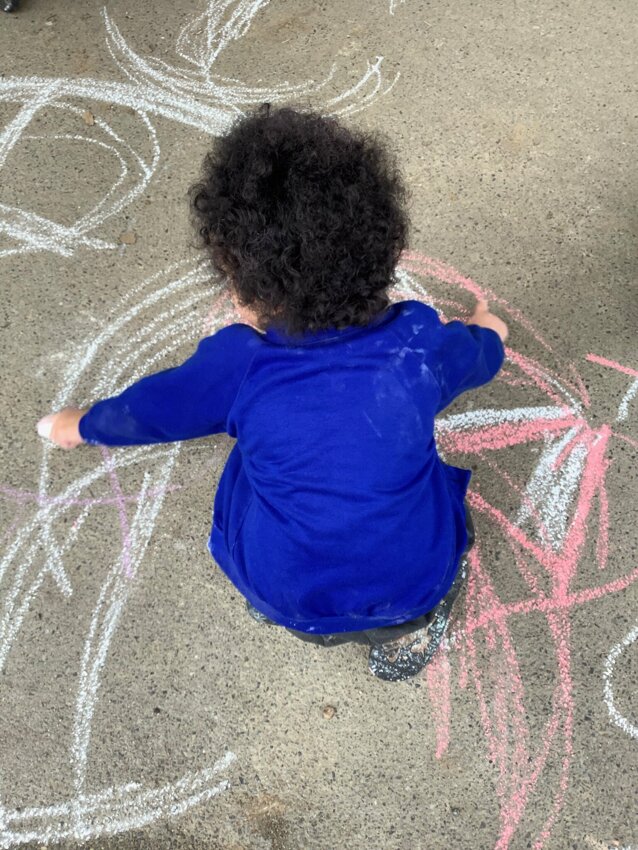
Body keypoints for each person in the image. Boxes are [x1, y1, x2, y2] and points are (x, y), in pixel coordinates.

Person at [37, 105, 508, 682]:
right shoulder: (419, 343)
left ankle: (310, 625)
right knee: (420, 532)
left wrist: (80, 424)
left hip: (287, 593)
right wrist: (488, 329)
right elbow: (479, 357)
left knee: (248, 471)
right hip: (415, 579)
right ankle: (402, 640)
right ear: (382, 255)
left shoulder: (240, 364)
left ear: (238, 278)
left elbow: (152, 412)